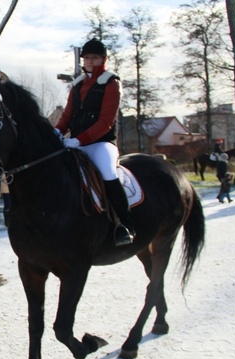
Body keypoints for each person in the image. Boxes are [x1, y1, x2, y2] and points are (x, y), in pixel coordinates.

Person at [54, 38, 134, 246]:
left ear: (103, 59)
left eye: (95, 57)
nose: (90, 61)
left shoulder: (111, 82)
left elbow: (106, 121)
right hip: (75, 142)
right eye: (87, 58)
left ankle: (124, 225)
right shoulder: (78, 84)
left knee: (108, 172)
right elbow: (68, 115)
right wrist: (57, 131)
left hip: (101, 143)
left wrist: (80, 140)